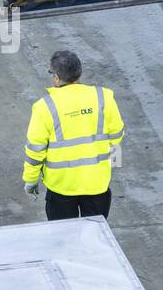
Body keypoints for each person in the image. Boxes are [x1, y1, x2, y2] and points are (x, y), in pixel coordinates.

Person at [22, 50, 123, 220]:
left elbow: (35, 150)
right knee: (94, 236)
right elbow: (116, 135)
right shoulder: (104, 97)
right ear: (79, 73)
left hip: (61, 187)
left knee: (63, 238)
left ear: (56, 77)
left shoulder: (44, 107)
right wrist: (111, 163)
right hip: (96, 183)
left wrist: (30, 179)